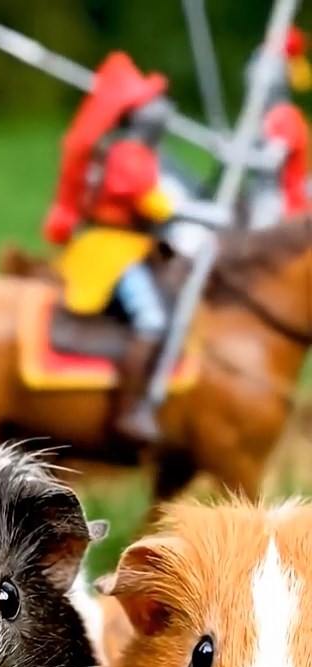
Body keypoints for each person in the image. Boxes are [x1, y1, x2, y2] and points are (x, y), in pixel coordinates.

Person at [43, 52, 228, 445]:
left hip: (136, 244)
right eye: (156, 102)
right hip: (113, 250)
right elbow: (152, 203)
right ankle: (130, 410)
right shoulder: (127, 154)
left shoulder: (139, 153)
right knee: (151, 320)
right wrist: (205, 213)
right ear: (140, 113)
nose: (166, 109)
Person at [238, 26, 312, 228]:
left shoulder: (284, 117)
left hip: (282, 209)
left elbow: (270, 162)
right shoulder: (263, 117)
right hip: (262, 196)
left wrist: (237, 155)